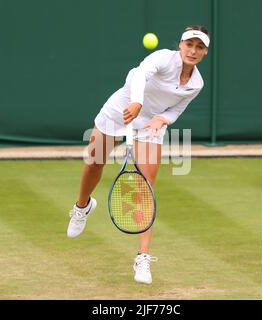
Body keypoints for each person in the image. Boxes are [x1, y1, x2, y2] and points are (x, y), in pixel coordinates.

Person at [66, 25, 210, 284]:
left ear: (205, 52)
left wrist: (161, 119)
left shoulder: (196, 83)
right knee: (94, 163)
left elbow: (176, 109)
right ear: (180, 45)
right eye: (189, 44)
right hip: (121, 108)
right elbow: (141, 75)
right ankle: (82, 206)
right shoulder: (162, 58)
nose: (193, 50)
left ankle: (142, 257)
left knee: (146, 186)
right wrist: (137, 102)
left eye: (199, 47)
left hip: (147, 125)